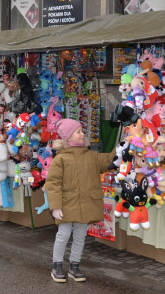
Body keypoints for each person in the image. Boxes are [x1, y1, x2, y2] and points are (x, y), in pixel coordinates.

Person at [44, 118, 114, 283]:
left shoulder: (91, 156)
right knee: (63, 234)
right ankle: (57, 265)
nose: (83, 134)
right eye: (78, 131)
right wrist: (55, 207)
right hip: (67, 205)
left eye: (82, 131)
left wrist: (125, 144)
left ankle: (74, 266)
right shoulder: (60, 159)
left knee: (81, 236)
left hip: (86, 204)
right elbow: (53, 184)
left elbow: (109, 160)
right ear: (68, 137)